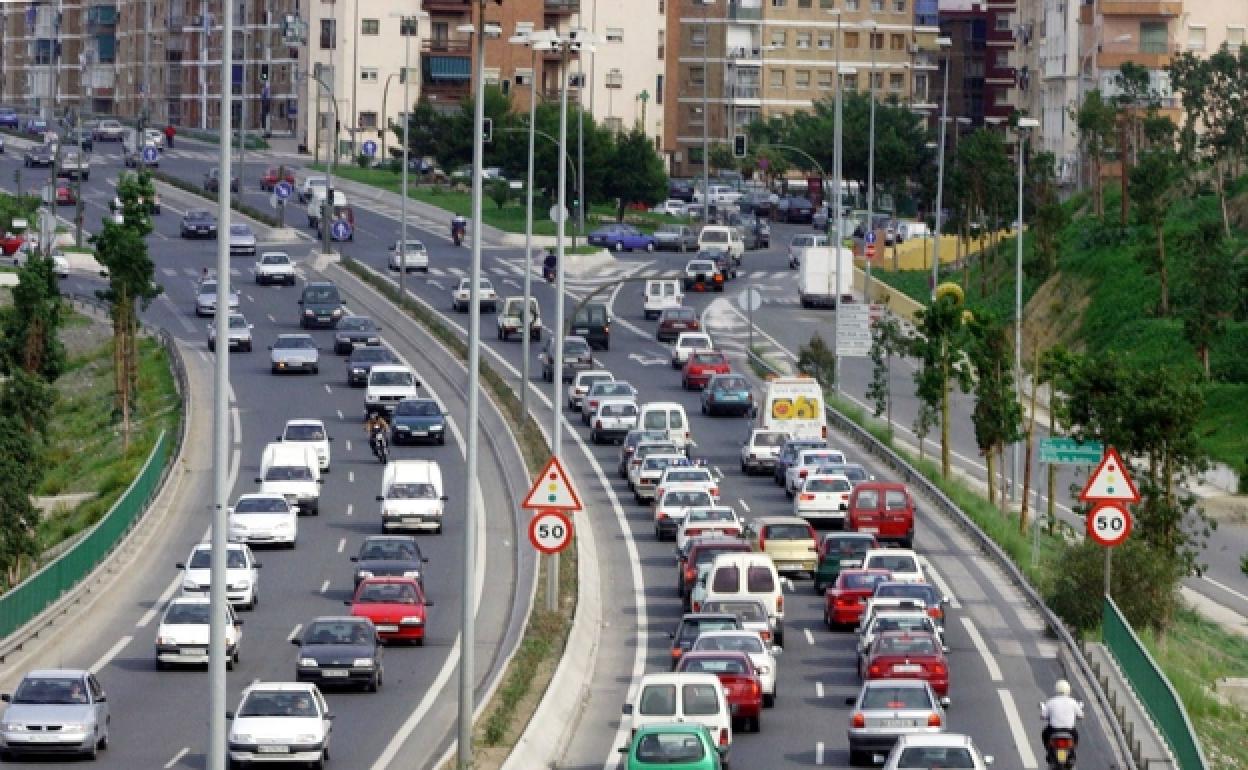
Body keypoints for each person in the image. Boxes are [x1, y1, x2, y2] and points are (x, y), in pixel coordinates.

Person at [1040, 679, 1083, 760]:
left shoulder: (1051, 701)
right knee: (1076, 736)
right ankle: (1072, 753)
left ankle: (1049, 751)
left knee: (1044, 734)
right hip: (1069, 730)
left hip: (1053, 730)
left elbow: (1043, 716)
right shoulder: (1073, 702)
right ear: (1068, 690)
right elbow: (1081, 715)